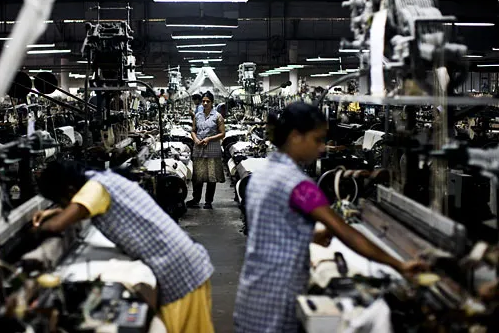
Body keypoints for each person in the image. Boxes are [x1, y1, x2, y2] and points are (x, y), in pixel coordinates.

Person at [234, 102, 428, 333]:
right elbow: (344, 232)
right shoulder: (298, 185)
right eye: (317, 139)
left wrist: (311, 235)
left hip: (252, 290)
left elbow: (274, 229)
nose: (322, 148)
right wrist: (400, 265)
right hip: (279, 294)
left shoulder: (262, 174)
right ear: (296, 136)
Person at [33, 160, 215, 333]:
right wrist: (59, 210)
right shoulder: (104, 178)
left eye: (61, 201)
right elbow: (77, 209)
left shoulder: (94, 189)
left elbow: (56, 226)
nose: (65, 206)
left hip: (180, 273)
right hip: (184, 261)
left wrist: (32, 231)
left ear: (70, 189)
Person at [187, 91, 226, 209]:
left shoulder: (218, 116)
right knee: (197, 175)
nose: (205, 103)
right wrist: (195, 139)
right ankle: (196, 199)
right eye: (203, 101)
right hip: (199, 147)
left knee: (211, 176)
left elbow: (222, 134)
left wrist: (209, 138)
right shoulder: (198, 116)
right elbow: (193, 130)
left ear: (212, 103)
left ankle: (208, 201)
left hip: (212, 148)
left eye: (207, 101)